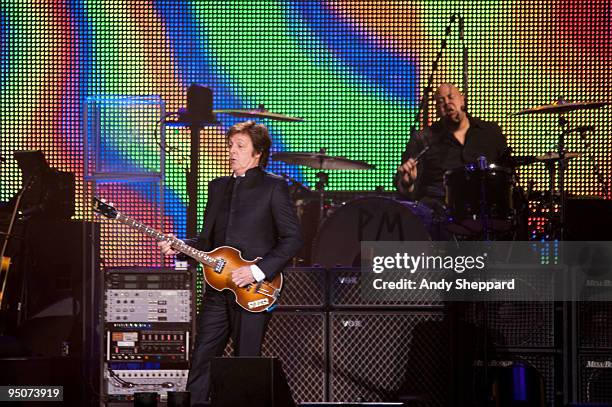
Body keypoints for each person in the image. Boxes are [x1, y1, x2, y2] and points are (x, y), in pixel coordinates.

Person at [159, 121, 303, 405]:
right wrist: (178, 247)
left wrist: (256, 271)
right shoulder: (218, 187)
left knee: (245, 361)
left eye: (240, 146)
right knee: (202, 357)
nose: (232, 152)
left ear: (258, 153)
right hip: (217, 289)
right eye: (230, 146)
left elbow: (293, 239)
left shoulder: (273, 187)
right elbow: (206, 242)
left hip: (254, 289)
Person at [395, 83, 509, 236]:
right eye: (440, 101)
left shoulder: (490, 133)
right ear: (436, 110)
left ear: (462, 100)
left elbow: (508, 172)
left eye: (451, 97)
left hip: (485, 210)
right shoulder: (424, 139)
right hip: (439, 215)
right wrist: (407, 183)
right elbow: (405, 187)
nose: (447, 103)